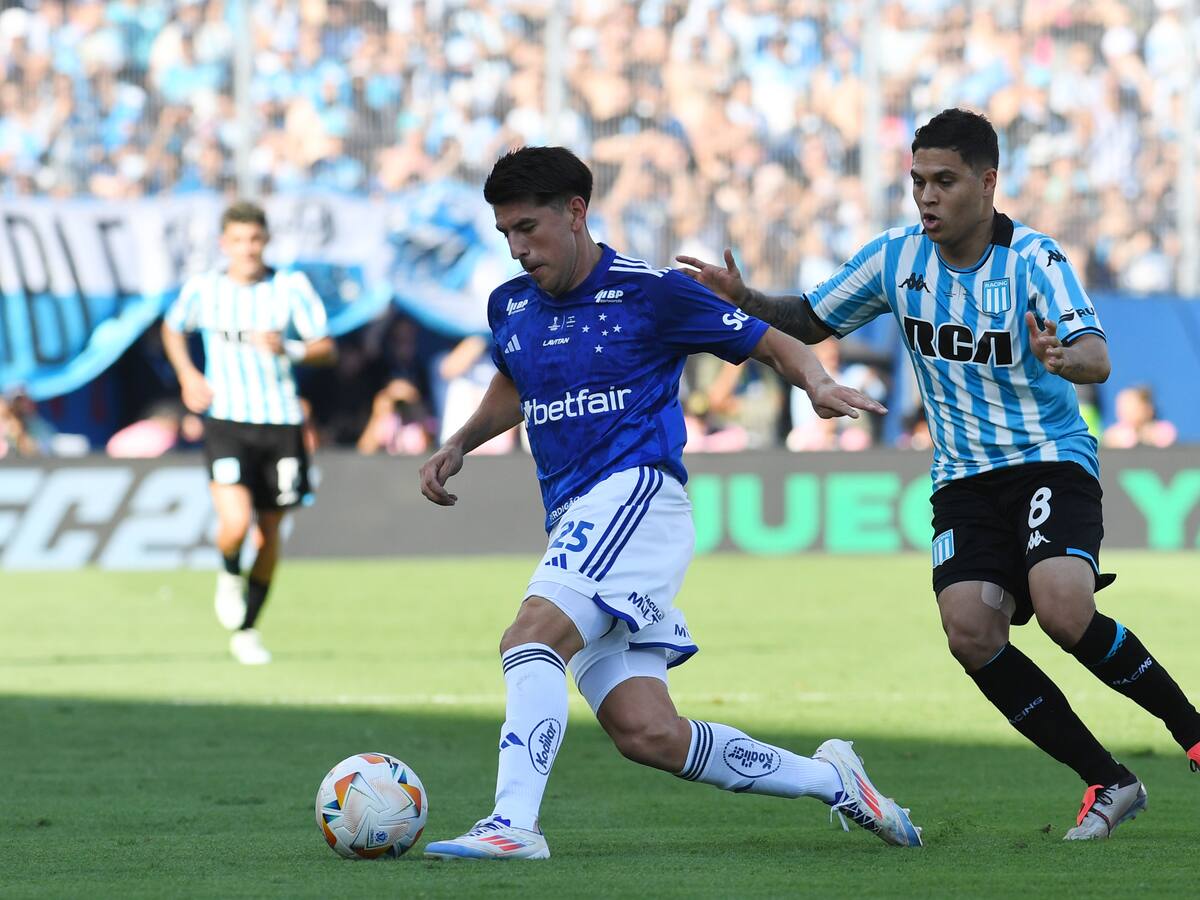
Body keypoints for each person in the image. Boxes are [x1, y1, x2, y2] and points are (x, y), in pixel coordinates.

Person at [678, 108, 1200, 840]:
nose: (926, 196)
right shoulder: (896, 259)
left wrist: (1060, 358)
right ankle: (1107, 780)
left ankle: (1192, 730)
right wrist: (744, 299)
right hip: (962, 478)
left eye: (944, 181)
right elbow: (809, 318)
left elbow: (1095, 355)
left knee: (1062, 608)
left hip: (1048, 457)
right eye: (917, 180)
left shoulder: (1034, 260)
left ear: (987, 183)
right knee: (970, 632)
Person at [417, 146, 922, 860]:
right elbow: (515, 377)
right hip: (578, 516)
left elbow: (770, 341)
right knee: (646, 732)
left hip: (637, 495)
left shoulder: (649, 293)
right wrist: (461, 441)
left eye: (528, 227)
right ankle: (833, 780)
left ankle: (511, 827)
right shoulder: (512, 304)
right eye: (505, 234)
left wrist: (815, 381)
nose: (518, 247)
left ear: (576, 211)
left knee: (530, 638)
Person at [162, 201, 336, 665]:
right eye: (238, 241)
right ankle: (226, 573)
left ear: (266, 241)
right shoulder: (204, 289)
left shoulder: (289, 286)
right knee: (235, 522)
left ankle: (247, 629)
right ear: (224, 244)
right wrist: (187, 375)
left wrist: (292, 349)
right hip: (227, 419)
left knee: (269, 530)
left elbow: (326, 346)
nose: (247, 249)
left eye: (255, 240)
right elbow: (172, 328)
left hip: (280, 422)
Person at [1102, 385, 1177, 449]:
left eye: (1131, 405)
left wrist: (1144, 435)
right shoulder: (1114, 434)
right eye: (1121, 406)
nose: (1125, 410)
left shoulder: (1163, 429)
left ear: (1147, 408)